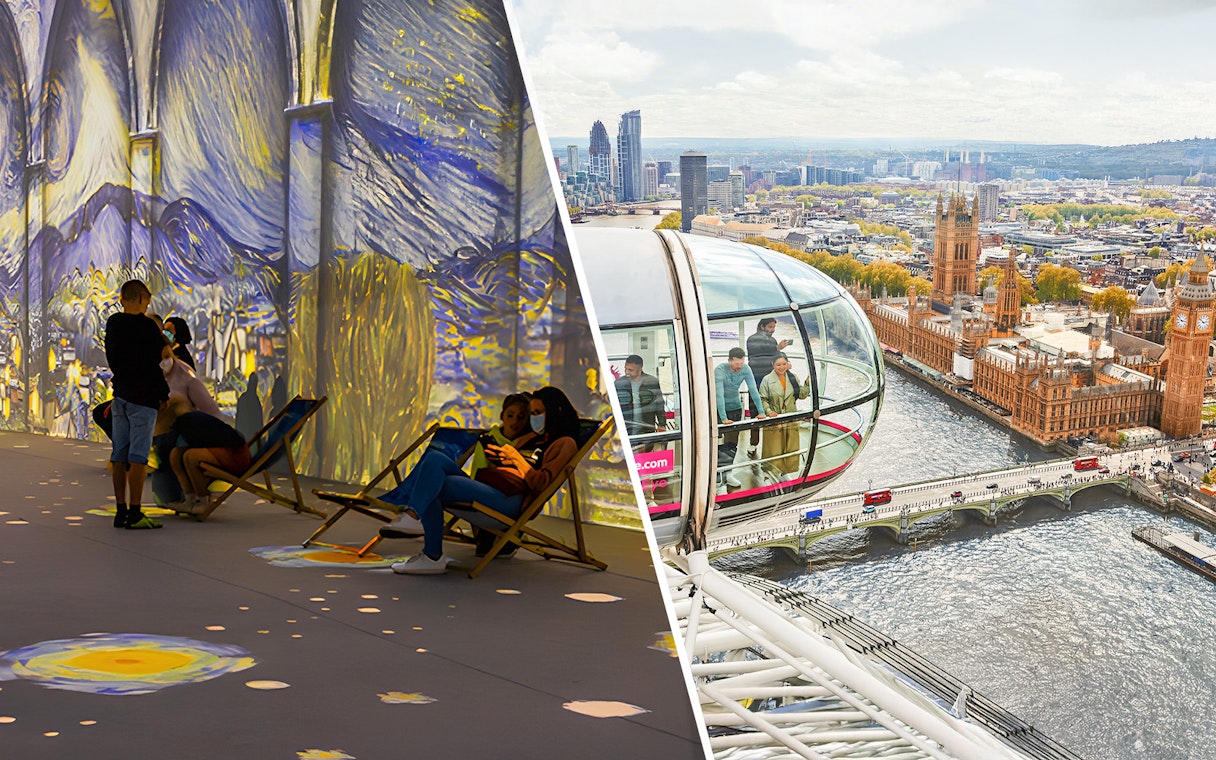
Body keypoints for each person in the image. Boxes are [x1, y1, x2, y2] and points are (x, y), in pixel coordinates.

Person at [381, 387, 582, 575]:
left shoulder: (564, 444)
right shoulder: (531, 437)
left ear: (556, 411)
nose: (533, 418)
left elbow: (541, 485)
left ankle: (428, 549)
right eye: (532, 413)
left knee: (435, 484)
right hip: (495, 489)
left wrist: (516, 459)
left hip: (512, 501)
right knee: (435, 460)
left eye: (538, 412)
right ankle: (416, 523)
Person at [104, 279, 170, 529]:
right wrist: (162, 393)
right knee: (139, 456)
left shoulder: (114, 323)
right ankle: (135, 512)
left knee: (119, 454)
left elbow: (114, 356)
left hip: (121, 395)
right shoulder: (147, 327)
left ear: (122, 298)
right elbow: (157, 361)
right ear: (141, 298)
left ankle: (120, 510)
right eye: (147, 300)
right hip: (144, 398)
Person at [150, 358, 224, 506]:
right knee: (171, 453)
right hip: (171, 434)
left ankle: (196, 496)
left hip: (189, 435)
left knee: (176, 454)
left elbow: (212, 414)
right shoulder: (163, 376)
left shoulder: (187, 379)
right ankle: (188, 495)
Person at [166, 410, 251, 517]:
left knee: (190, 456)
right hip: (224, 449)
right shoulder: (186, 422)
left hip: (236, 456)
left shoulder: (188, 423)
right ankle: (190, 499)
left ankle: (203, 500)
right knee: (176, 455)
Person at [715, 347, 766, 488]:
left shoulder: (745, 368)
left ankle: (728, 473)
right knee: (716, 444)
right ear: (729, 360)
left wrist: (761, 411)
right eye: (736, 364)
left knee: (732, 443)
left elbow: (753, 390)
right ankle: (716, 474)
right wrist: (723, 418)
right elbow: (718, 395)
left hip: (736, 409)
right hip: (718, 410)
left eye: (741, 363)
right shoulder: (719, 370)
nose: (739, 367)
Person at [757, 352, 811, 478]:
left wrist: (807, 384)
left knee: (790, 446)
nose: (781, 367)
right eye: (778, 365)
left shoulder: (792, 378)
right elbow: (762, 399)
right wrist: (769, 411)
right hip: (775, 419)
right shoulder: (767, 380)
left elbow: (802, 395)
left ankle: (787, 470)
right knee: (774, 448)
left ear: (788, 364)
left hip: (791, 418)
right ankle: (770, 472)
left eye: (784, 364)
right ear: (772, 365)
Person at [746, 318, 790, 452]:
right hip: (756, 379)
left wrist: (784, 359)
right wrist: (777, 348)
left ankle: (772, 444)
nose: (772, 330)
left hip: (770, 380)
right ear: (762, 326)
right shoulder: (752, 339)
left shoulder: (772, 340)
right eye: (770, 327)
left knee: (772, 409)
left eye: (773, 328)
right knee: (756, 410)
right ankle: (753, 444)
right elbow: (757, 352)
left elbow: (775, 357)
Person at [614, 354, 665, 436]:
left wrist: (662, 424)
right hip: (626, 430)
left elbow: (659, 404)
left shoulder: (652, 382)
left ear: (640, 370)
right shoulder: (619, 384)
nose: (627, 372)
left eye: (630, 370)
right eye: (625, 369)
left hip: (646, 430)